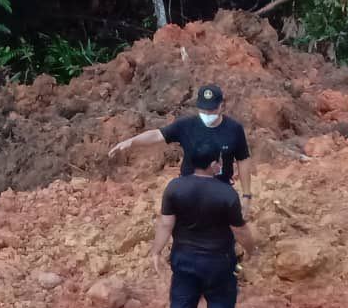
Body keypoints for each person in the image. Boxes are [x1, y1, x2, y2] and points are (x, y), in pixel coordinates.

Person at [152, 140, 258, 308]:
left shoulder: (175, 187)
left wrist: (156, 251)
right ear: (213, 164)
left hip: (184, 257)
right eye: (218, 160)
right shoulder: (226, 194)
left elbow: (165, 223)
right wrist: (251, 249)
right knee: (222, 298)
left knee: (182, 299)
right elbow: (239, 230)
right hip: (218, 259)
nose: (220, 164)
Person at [108, 84, 255, 217]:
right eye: (204, 110)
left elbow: (243, 160)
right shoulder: (186, 125)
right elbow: (158, 135)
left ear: (221, 106)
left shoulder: (234, 129)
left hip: (221, 191)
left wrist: (246, 195)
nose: (208, 114)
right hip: (189, 190)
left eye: (212, 110)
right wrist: (132, 142)